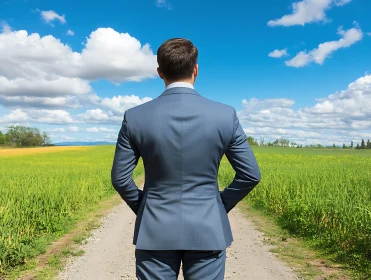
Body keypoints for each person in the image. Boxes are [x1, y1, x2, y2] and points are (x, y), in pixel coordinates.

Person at [111, 38, 261, 280]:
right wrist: (219, 206)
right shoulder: (225, 115)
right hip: (208, 229)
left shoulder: (135, 117)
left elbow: (120, 178)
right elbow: (250, 175)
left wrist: (146, 208)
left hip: (155, 230)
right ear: (196, 70)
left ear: (160, 72)